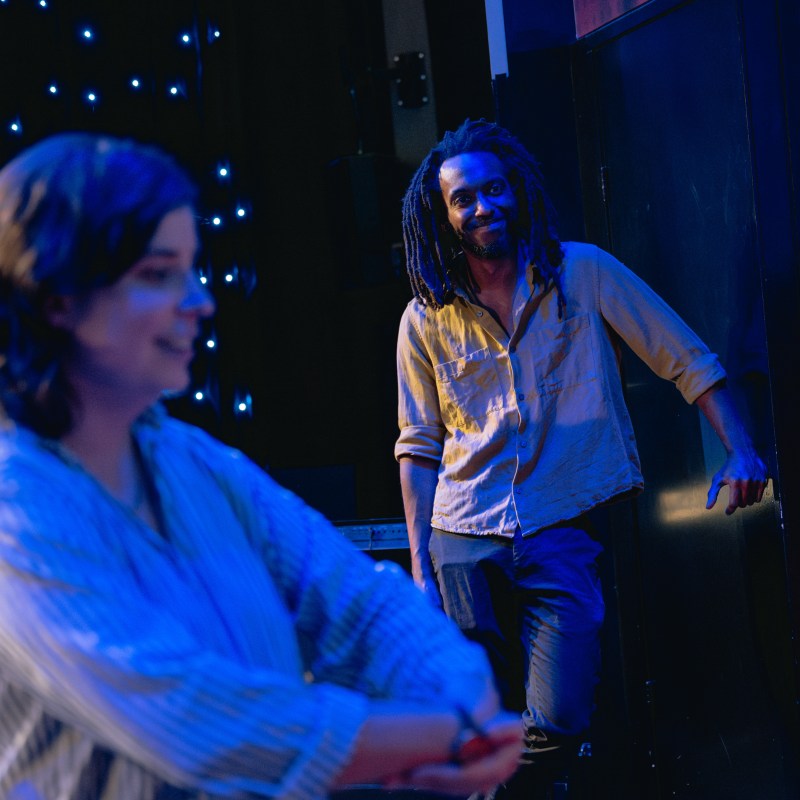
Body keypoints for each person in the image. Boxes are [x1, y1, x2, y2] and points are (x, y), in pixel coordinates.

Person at [0, 132, 524, 800]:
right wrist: (444, 740)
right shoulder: (15, 501)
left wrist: (460, 695)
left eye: (191, 270)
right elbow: (197, 720)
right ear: (58, 300)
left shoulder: (192, 460)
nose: (200, 302)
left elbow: (360, 601)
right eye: (159, 275)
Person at [395, 118, 768, 799]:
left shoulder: (584, 272)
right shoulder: (424, 317)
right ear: (442, 215)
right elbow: (418, 446)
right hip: (462, 539)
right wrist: (421, 568)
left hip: (564, 522)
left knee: (560, 717)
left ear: (517, 191)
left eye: (494, 189)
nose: (483, 207)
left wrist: (741, 447)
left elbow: (688, 359)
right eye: (464, 199)